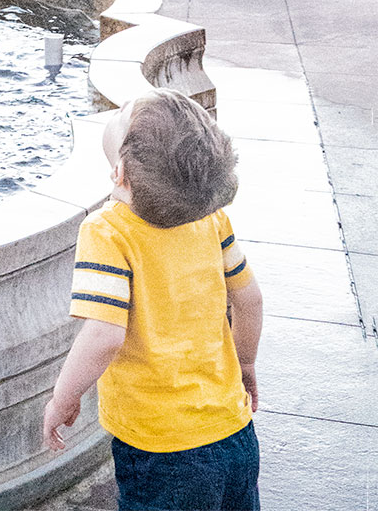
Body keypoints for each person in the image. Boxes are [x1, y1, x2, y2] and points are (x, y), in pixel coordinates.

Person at [43, 91, 263, 511]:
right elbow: (249, 298)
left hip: (161, 452)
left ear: (120, 171)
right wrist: (246, 364)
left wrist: (63, 398)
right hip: (234, 432)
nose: (121, 108)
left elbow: (105, 334)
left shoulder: (107, 232)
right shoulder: (211, 218)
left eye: (123, 115)